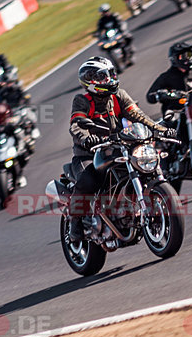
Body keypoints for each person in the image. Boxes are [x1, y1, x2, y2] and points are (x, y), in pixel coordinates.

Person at [67, 58, 170, 241]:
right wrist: (87, 138)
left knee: (144, 162)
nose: (109, 79)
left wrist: (161, 129)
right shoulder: (82, 100)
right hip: (89, 153)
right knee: (88, 179)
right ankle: (75, 224)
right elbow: (76, 125)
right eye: (102, 77)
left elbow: (137, 115)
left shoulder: (119, 96)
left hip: (118, 147)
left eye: (110, 74)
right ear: (90, 81)